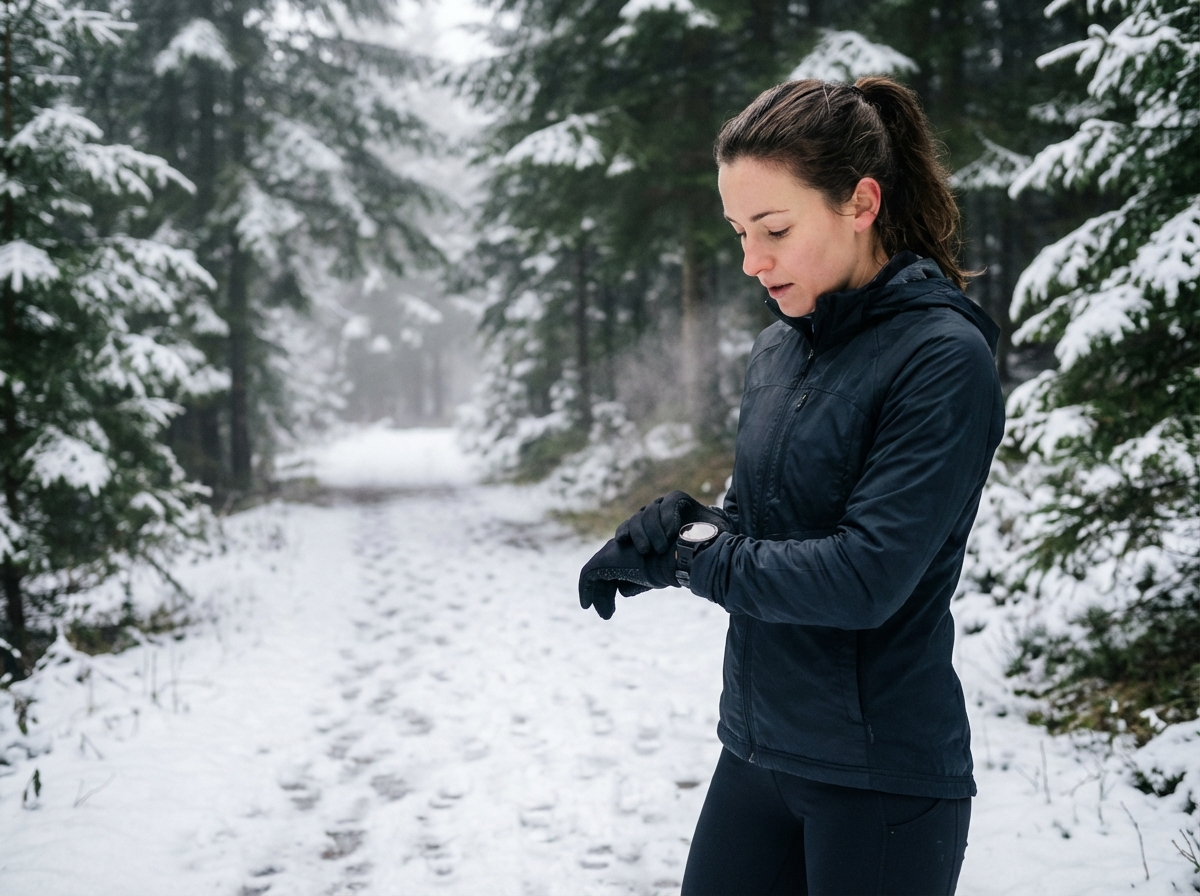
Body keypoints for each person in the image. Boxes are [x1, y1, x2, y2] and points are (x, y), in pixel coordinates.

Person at [578, 76, 1005, 896]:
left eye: (774, 228)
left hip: (878, 780)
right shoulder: (780, 349)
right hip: (756, 752)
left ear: (861, 203)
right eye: (740, 232)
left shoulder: (942, 359)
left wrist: (692, 556)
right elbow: (761, 529)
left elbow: (863, 577)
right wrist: (681, 527)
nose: (752, 260)